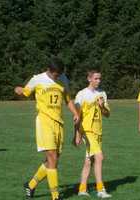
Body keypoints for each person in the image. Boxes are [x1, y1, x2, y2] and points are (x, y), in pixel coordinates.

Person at [14, 57, 79, 200]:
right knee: (52, 156)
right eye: (56, 74)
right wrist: (19, 90)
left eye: (60, 74)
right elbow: (26, 92)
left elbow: (68, 99)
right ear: (49, 70)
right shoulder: (37, 79)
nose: (57, 76)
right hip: (44, 121)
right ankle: (55, 196)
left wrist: (75, 113)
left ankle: (30, 185)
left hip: (59, 123)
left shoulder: (63, 79)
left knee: (53, 160)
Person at [74, 70, 112, 198]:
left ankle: (82, 189)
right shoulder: (81, 94)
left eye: (99, 79)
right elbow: (77, 116)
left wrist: (102, 107)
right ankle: (101, 190)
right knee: (99, 157)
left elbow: (107, 114)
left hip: (98, 131)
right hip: (87, 130)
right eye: (96, 78)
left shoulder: (102, 94)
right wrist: (77, 134)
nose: (98, 81)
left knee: (89, 161)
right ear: (89, 79)